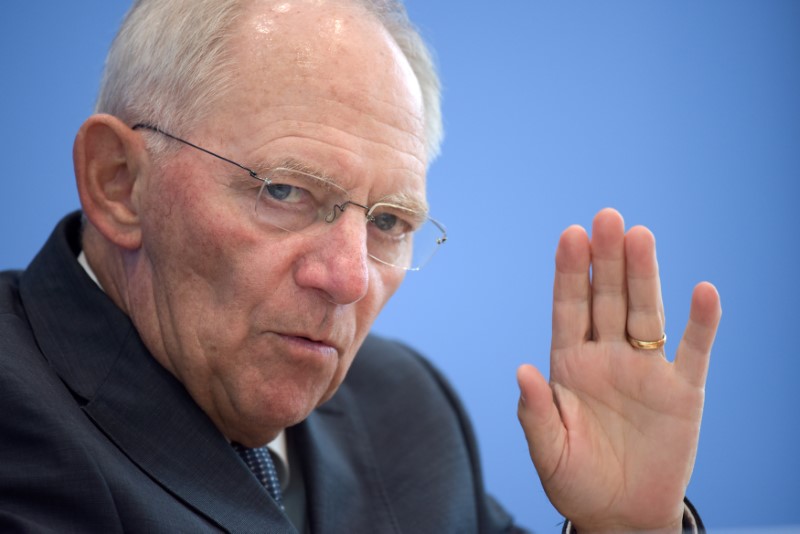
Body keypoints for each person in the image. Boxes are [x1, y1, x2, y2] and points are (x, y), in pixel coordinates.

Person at [0, 0, 721, 532]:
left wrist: (626, 529)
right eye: (283, 190)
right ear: (118, 182)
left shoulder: (406, 406)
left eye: (388, 222)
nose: (346, 279)